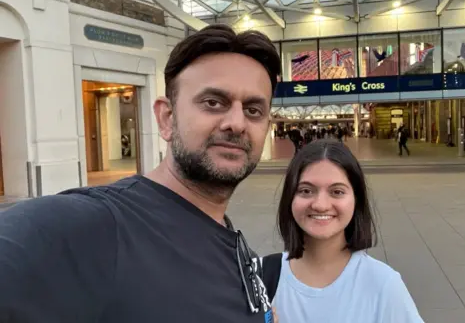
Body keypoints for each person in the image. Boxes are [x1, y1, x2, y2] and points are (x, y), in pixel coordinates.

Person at [0, 24, 281, 322]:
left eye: (253, 110)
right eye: (213, 103)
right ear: (166, 118)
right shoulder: (94, 226)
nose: (236, 123)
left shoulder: (236, 247)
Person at [267, 140, 424, 322]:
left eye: (337, 192)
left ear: (356, 200)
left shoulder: (384, 284)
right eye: (306, 190)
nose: (320, 205)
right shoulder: (258, 279)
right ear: (290, 198)